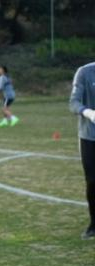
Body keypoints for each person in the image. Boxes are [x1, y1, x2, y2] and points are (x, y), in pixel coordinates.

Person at [69, 62, 95, 240]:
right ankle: (94, 224)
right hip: (89, 137)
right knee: (92, 181)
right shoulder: (85, 72)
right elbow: (73, 102)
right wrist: (88, 113)